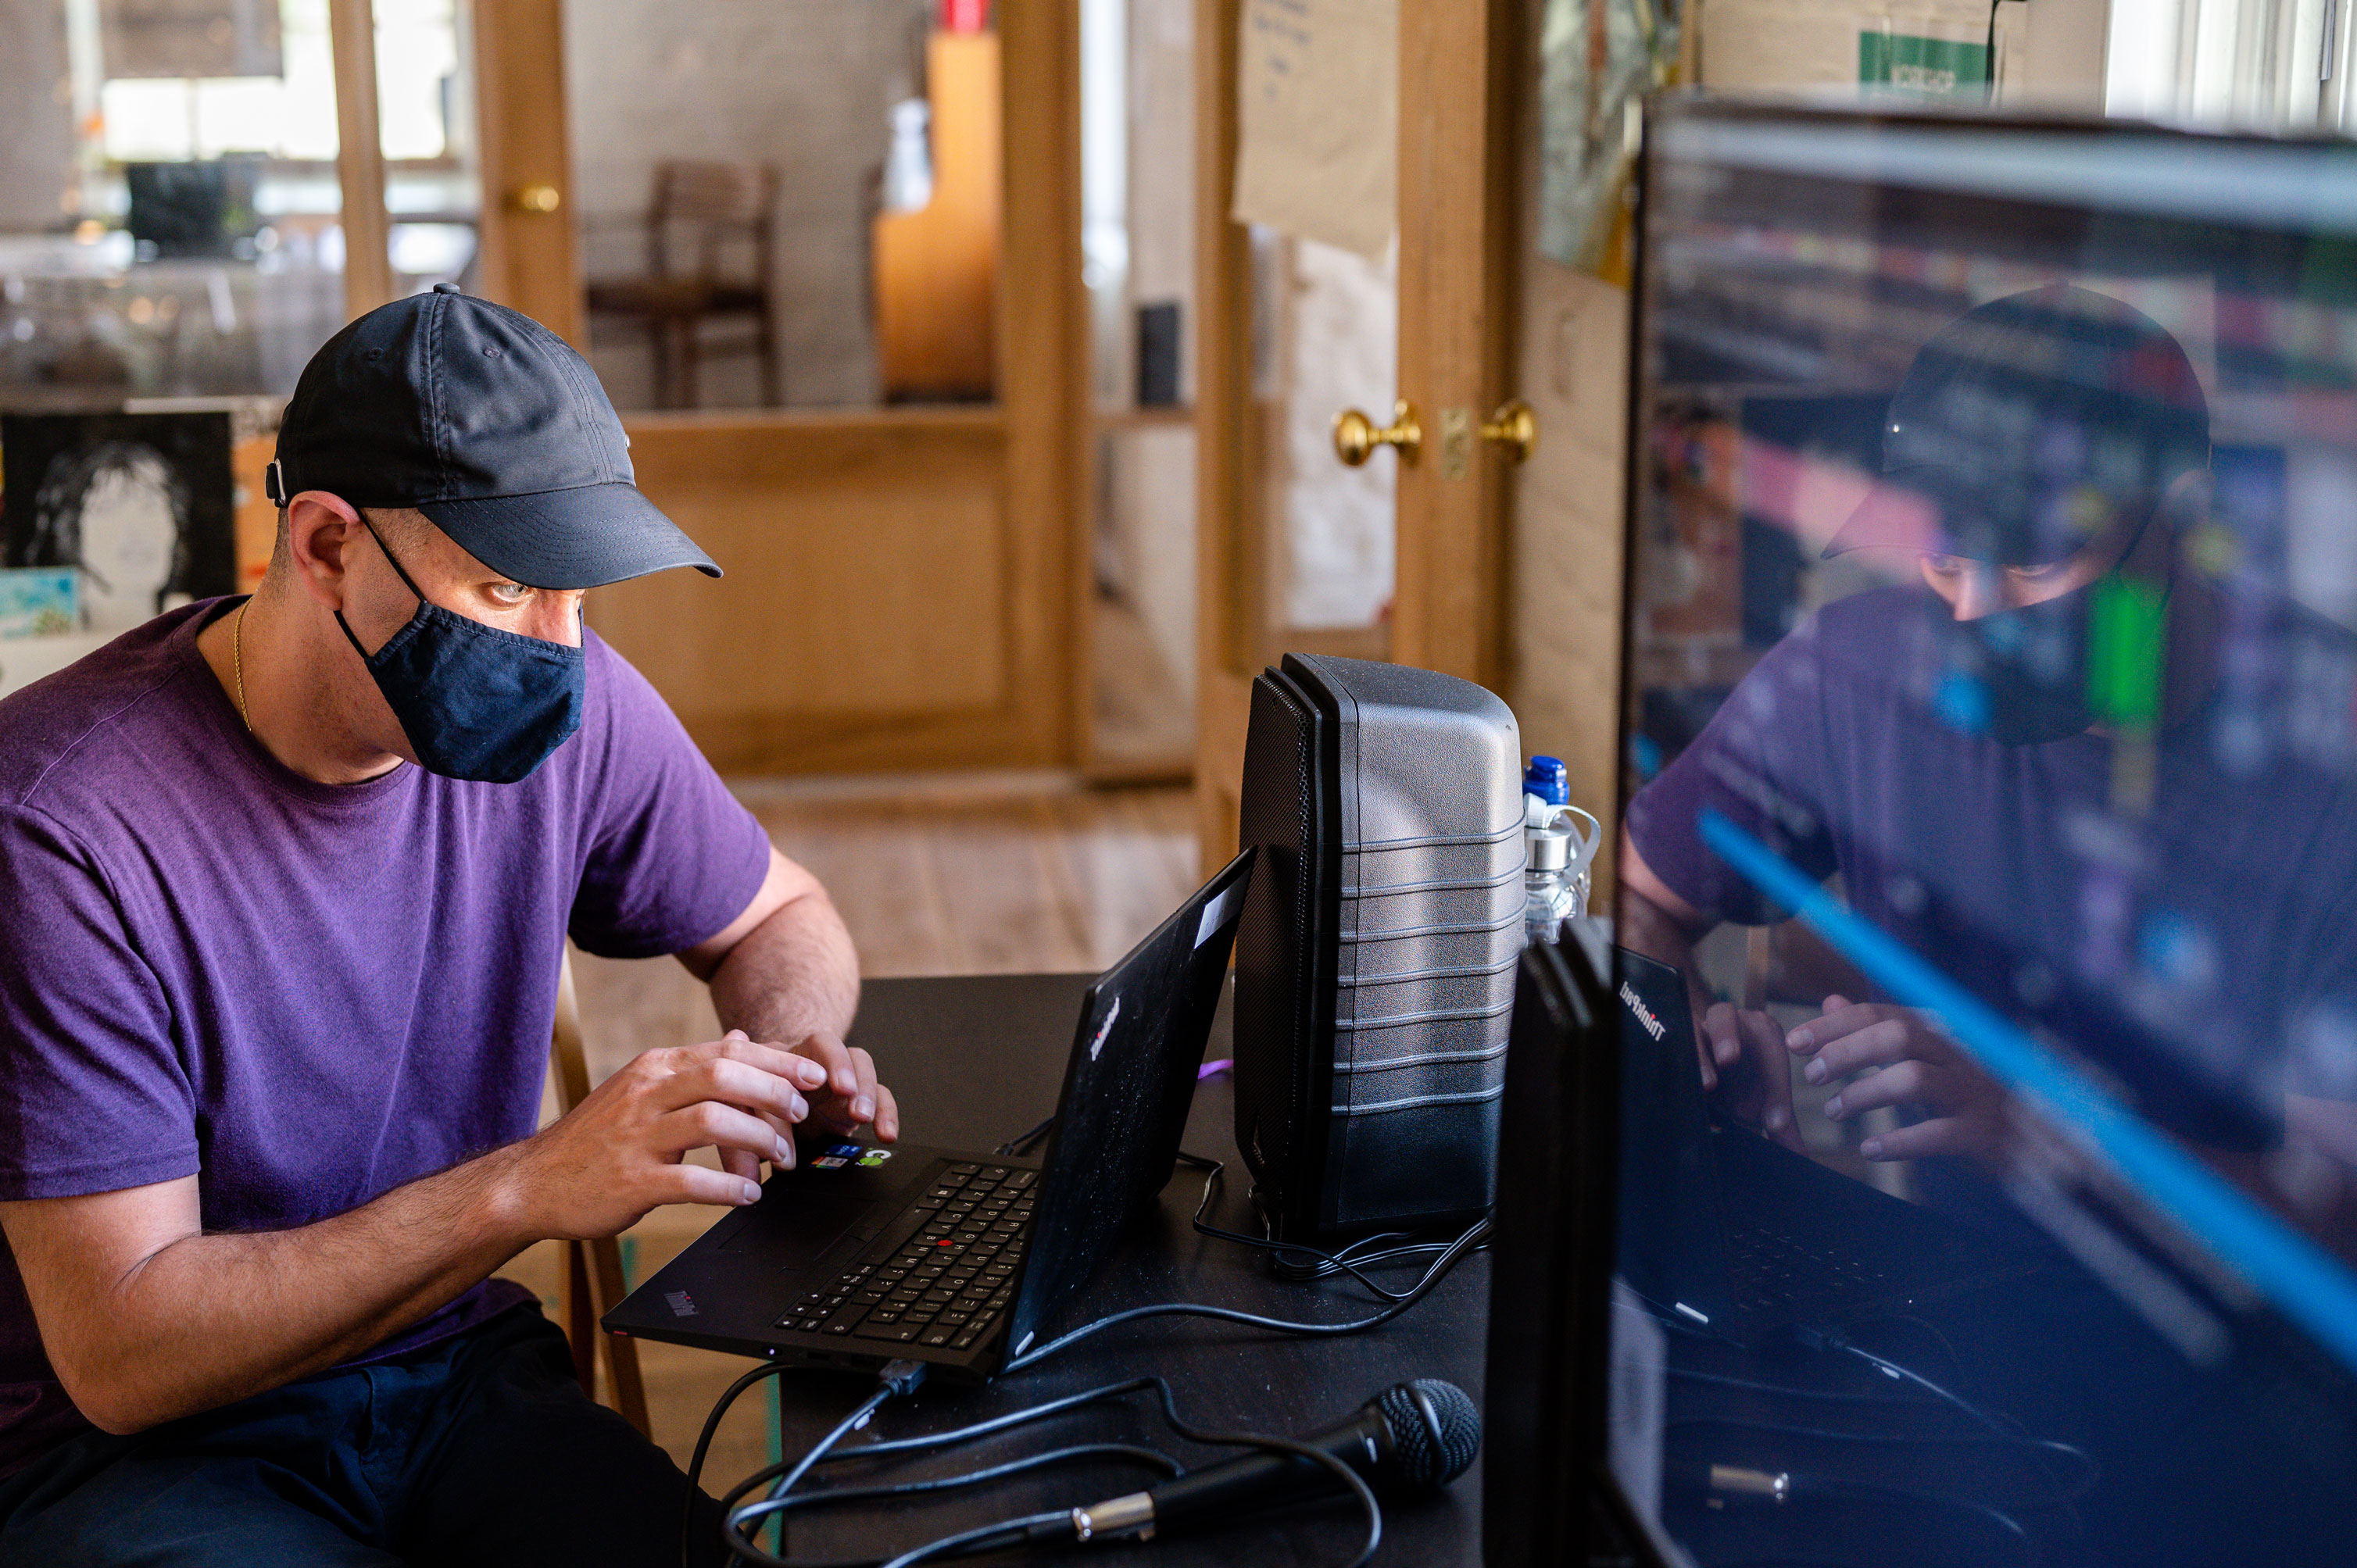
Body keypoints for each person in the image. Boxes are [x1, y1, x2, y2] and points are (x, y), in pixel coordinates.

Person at [0, 284, 898, 1564]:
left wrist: (790, 1056)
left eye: (579, 596)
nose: (557, 647)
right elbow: (129, 1354)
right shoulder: (59, 827)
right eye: (502, 588)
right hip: (137, 1458)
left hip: (449, 1376)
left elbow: (779, 911)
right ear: (325, 546)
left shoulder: (576, 700)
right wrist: (530, 1183)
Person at [1618, 284, 2357, 1246]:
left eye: (2033, 565)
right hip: (1948, 1305)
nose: (1971, 613)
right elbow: (1638, 900)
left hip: (2239, 1365)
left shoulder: (2318, 750)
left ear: (2181, 510)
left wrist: (2043, 1140)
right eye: (1942, 558)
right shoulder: (1853, 671)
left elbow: (2337, 1218)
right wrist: (1687, 1039)